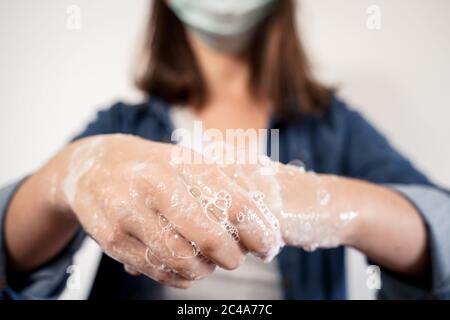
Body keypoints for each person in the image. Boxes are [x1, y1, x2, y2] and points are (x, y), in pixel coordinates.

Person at [1, 0, 449, 300]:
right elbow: (12, 262)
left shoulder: (331, 126)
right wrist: (69, 174)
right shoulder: (123, 126)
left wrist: (329, 204)